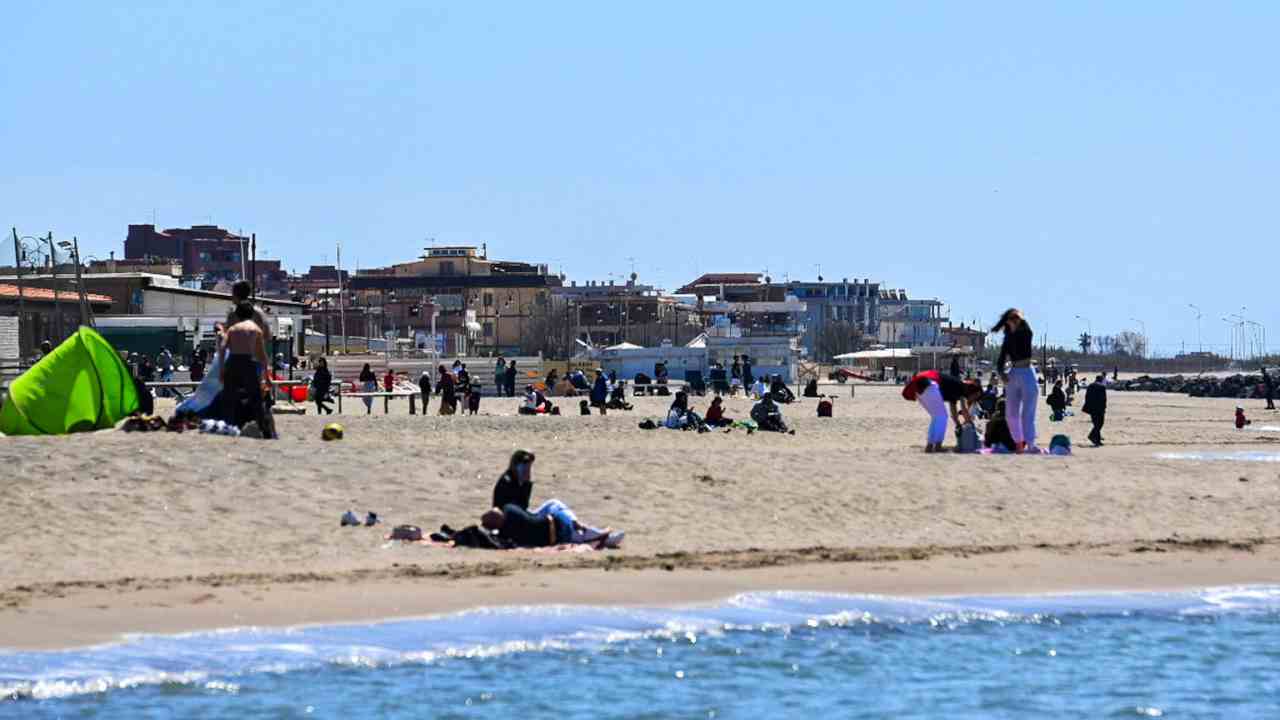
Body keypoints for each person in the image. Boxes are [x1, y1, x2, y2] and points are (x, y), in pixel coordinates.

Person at [219, 302, 272, 437]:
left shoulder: (232, 329)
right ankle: (264, 430)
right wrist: (267, 375)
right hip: (248, 363)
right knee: (256, 399)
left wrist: (221, 369)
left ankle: (228, 427)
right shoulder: (255, 330)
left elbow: (222, 348)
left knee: (229, 398)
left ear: (237, 315)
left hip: (233, 362)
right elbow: (262, 355)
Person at [993, 308, 1038, 453]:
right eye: (1013, 319)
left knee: (1028, 413)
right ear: (1008, 321)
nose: (1016, 321)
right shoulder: (1007, 339)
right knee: (1011, 414)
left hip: (1027, 372)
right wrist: (1001, 373)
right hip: (1013, 373)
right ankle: (1019, 443)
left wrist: (1019, 318)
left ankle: (1030, 443)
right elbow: (1000, 359)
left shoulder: (1026, 333)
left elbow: (1025, 329)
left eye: (1017, 319)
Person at [481, 501, 620, 548]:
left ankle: (584, 527)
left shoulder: (507, 512)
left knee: (554, 503)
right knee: (577, 533)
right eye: (493, 514)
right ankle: (599, 535)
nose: (495, 510)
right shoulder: (507, 524)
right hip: (558, 531)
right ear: (496, 523)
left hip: (551, 521)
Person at [903, 371, 982, 453]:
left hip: (920, 386)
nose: (974, 399)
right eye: (975, 396)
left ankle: (930, 446)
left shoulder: (957, 386)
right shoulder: (961, 387)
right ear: (972, 391)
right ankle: (936, 446)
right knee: (941, 417)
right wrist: (970, 423)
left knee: (937, 417)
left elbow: (953, 411)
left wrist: (958, 424)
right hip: (929, 385)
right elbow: (964, 409)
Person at [1082, 373, 1108, 447]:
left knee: (1096, 423)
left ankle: (1097, 439)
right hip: (1099, 408)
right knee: (1100, 424)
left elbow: (1087, 397)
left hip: (1091, 408)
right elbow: (1103, 399)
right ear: (1101, 380)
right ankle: (1092, 436)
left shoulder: (1090, 386)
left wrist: (1088, 406)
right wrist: (1104, 408)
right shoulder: (1102, 387)